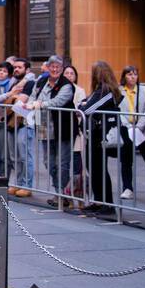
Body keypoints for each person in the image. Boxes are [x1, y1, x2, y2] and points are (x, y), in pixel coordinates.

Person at [27, 55, 75, 207]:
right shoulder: (41, 81)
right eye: (52, 66)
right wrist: (28, 105)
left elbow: (58, 101)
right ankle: (58, 190)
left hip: (63, 127)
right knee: (49, 162)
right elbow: (32, 97)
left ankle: (61, 194)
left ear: (62, 69)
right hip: (44, 126)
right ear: (47, 67)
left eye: (58, 67)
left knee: (62, 162)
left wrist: (40, 104)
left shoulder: (66, 85)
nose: (54, 69)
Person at [78, 61, 121, 219]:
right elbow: (84, 104)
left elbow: (87, 108)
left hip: (101, 135)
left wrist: (82, 107)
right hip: (95, 133)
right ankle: (99, 201)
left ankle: (107, 204)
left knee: (99, 169)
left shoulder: (106, 90)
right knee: (94, 168)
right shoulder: (100, 90)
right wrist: (82, 106)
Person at [111, 65, 145, 201]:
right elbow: (118, 111)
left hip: (142, 130)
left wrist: (139, 127)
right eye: (129, 74)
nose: (133, 77)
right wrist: (128, 127)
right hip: (125, 129)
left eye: (135, 74)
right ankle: (127, 188)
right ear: (124, 77)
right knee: (126, 160)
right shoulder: (118, 91)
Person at [5, 57, 36, 196]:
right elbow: (6, 102)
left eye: (20, 67)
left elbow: (21, 102)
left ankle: (27, 185)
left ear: (27, 70)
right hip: (11, 123)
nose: (16, 69)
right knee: (14, 157)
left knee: (25, 155)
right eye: (15, 67)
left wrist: (13, 97)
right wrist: (13, 97)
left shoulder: (30, 83)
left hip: (25, 122)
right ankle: (17, 183)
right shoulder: (14, 84)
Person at [63, 64, 87, 210]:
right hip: (62, 132)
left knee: (77, 168)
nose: (69, 75)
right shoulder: (58, 90)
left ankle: (79, 198)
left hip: (76, 133)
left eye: (72, 73)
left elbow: (81, 109)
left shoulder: (80, 91)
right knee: (62, 165)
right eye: (66, 73)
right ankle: (66, 196)